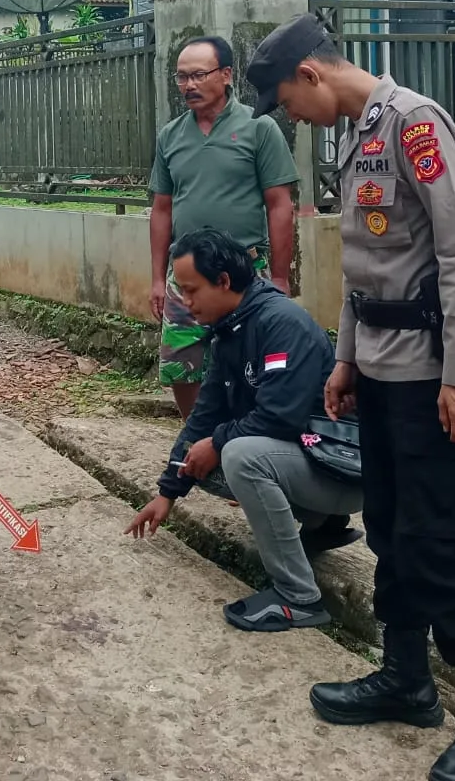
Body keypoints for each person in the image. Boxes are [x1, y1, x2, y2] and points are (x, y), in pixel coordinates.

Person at [246, 13, 455, 781]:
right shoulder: (351, 134)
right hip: (376, 370)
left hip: (430, 378)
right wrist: (344, 361)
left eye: (287, 102)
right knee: (389, 532)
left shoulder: (414, 124)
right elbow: (365, 262)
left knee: (437, 543)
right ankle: (405, 679)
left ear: (310, 74)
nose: (292, 121)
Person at [125, 229, 361, 632]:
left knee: (237, 455)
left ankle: (298, 596)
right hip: (312, 463)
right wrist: (166, 493)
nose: (185, 302)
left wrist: (217, 444)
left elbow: (279, 417)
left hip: (345, 472)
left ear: (224, 281)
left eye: (191, 289)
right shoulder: (230, 330)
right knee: (206, 458)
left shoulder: (280, 323)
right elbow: (204, 414)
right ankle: (320, 525)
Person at [150, 35, 298, 422]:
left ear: (227, 75)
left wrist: (279, 278)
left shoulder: (258, 127)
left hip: (245, 271)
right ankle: (195, 432)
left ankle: (243, 437)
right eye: (181, 77)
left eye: (198, 75)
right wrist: (155, 279)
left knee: (253, 358)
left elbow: (280, 206)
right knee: (180, 361)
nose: (189, 85)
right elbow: (161, 210)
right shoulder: (171, 136)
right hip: (184, 276)